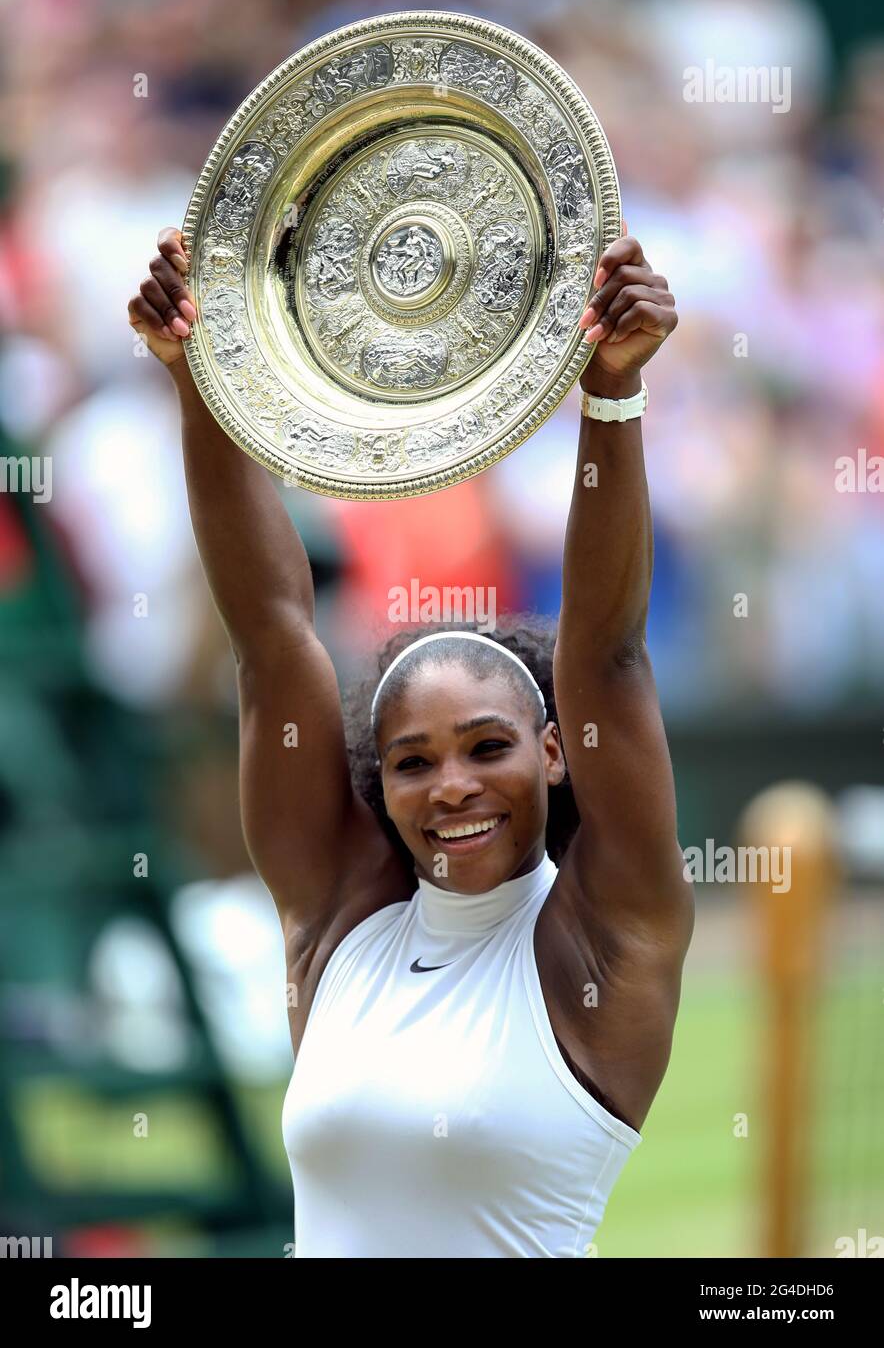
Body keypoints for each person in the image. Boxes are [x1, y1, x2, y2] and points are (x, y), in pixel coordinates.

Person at [127, 221, 691, 1258]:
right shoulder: (336, 919)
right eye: (413, 760)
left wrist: (610, 394)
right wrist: (195, 369)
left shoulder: (603, 939)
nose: (451, 786)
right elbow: (270, 640)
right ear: (376, 785)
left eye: (487, 747)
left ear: (554, 754)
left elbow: (606, 658)